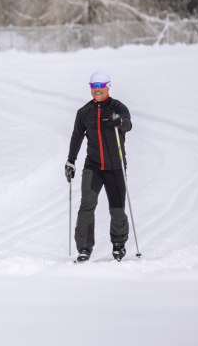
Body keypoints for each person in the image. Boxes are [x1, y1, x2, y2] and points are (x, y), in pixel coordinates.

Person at [65, 71, 133, 262]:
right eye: (93, 86)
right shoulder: (84, 112)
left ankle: (119, 244)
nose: (97, 90)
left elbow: (128, 125)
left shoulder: (118, 107)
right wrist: (71, 161)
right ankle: (84, 248)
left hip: (116, 166)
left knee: (117, 208)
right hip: (93, 166)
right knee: (87, 203)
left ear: (108, 86)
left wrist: (119, 121)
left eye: (100, 86)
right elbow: (76, 137)